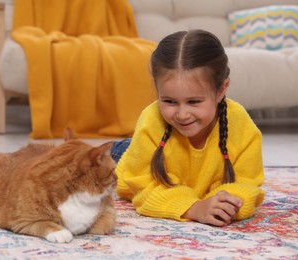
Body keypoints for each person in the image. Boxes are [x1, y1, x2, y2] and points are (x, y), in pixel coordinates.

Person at [111, 29, 265, 227]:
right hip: (133, 154)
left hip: (173, 160)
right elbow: (142, 186)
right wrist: (194, 207)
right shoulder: (151, 121)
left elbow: (248, 183)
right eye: (169, 101)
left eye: (193, 102)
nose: (182, 114)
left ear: (221, 90)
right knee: (92, 163)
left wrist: (226, 204)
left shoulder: (242, 126)